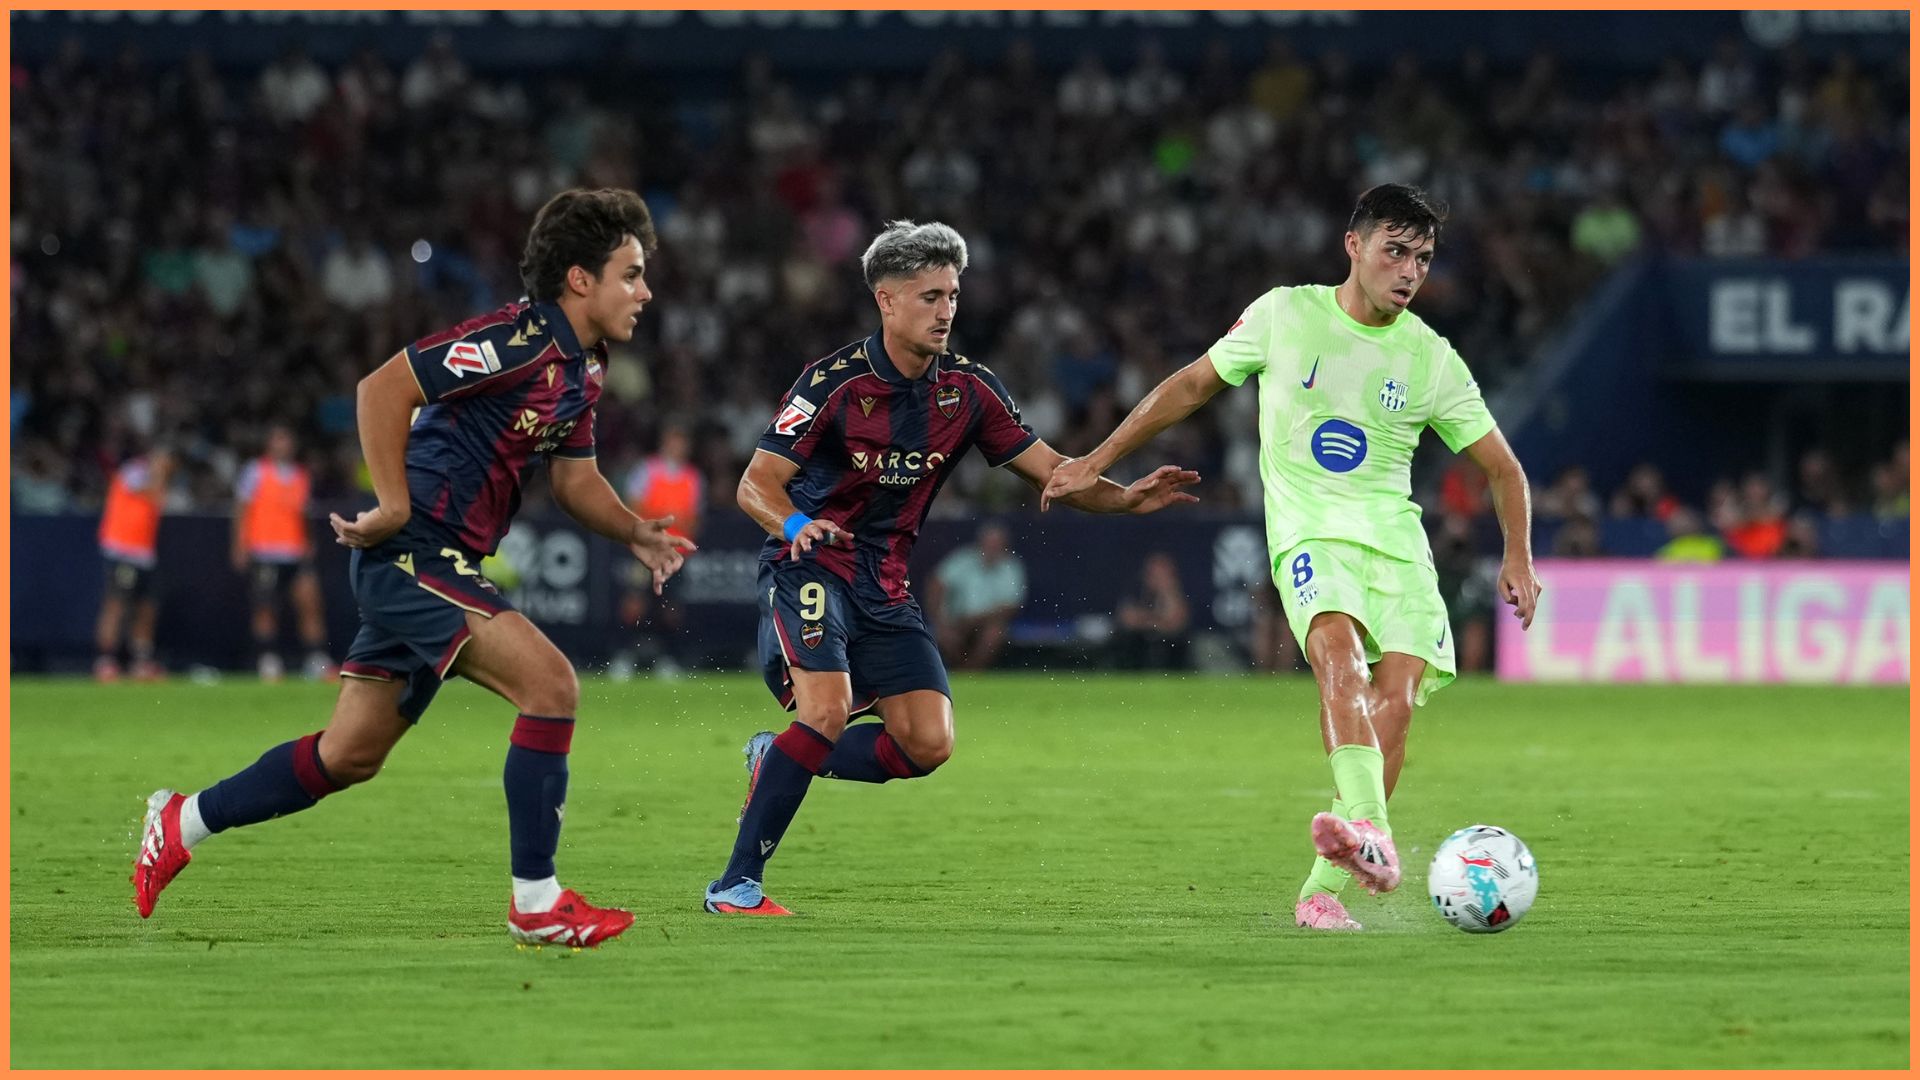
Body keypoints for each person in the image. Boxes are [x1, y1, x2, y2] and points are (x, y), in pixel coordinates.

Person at [133, 188, 695, 949]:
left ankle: (181, 820)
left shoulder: (585, 367)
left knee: (347, 756)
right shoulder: (516, 340)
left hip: (440, 560)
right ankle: (536, 902)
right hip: (414, 554)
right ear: (579, 279)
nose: (645, 291)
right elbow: (382, 388)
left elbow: (573, 480)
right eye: (630, 274)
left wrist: (632, 531)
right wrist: (393, 502)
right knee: (552, 686)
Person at [1044, 184, 1542, 932]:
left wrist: (1519, 556)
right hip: (1311, 534)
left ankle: (1323, 891)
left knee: (1396, 704)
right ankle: (1373, 834)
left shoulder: (1430, 358)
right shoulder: (1284, 315)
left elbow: (1503, 467)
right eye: (1395, 251)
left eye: (1424, 258)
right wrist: (1097, 459)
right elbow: (1192, 384)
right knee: (1339, 658)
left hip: (1397, 545)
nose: (1410, 271)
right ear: (1354, 246)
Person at [704, 220, 1200, 917]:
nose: (946, 311)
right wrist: (795, 525)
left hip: (884, 583)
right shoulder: (833, 384)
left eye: (953, 296)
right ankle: (735, 886)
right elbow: (755, 484)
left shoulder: (969, 390)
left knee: (926, 743)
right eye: (930, 296)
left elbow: (1054, 473)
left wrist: (1124, 499)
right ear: (886, 300)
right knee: (826, 712)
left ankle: (777, 756)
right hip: (808, 564)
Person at [232, 423, 336, 681]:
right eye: (279, 439)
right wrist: (240, 545)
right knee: (265, 606)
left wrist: (308, 541)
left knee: (310, 603)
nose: (284, 444)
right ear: (269, 443)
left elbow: (303, 513)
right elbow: (242, 510)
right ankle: (268, 659)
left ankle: (316, 659)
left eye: (287, 440)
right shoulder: (255, 471)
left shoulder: (301, 475)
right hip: (265, 550)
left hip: (294, 551)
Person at [617, 423, 704, 675]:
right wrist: (668, 517)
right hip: (647, 550)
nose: (678, 447)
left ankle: (666, 659)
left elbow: (694, 520)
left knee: (671, 609)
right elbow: (633, 507)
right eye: (674, 440)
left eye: (682, 442)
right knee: (634, 604)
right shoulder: (646, 470)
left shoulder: (693, 477)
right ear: (664, 443)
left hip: (676, 554)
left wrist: (670, 519)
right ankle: (625, 656)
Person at [95, 442, 175, 682]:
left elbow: (161, 501)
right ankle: (105, 661)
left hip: (144, 554)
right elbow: (152, 494)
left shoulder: (160, 480)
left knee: (147, 608)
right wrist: (158, 472)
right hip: (122, 550)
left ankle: (140, 661)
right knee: (116, 604)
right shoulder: (133, 471)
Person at [929, 522, 1027, 671]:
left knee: (993, 634)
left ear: (1005, 546)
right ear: (980, 543)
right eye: (989, 543)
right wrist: (940, 622)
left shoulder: (1011, 567)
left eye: (997, 545)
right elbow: (936, 585)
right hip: (955, 620)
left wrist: (974, 620)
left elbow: (1010, 607)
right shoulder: (962, 560)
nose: (992, 548)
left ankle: (970, 673)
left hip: (988, 623)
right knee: (945, 636)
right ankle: (957, 671)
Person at [1112, 551, 1190, 670]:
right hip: (1136, 652)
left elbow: (1175, 624)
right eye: (1153, 574)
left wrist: (1167, 592)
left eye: (1162, 574)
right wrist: (1157, 621)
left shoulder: (1176, 594)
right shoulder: (1135, 592)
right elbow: (1126, 620)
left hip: (1170, 656)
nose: (1157, 578)